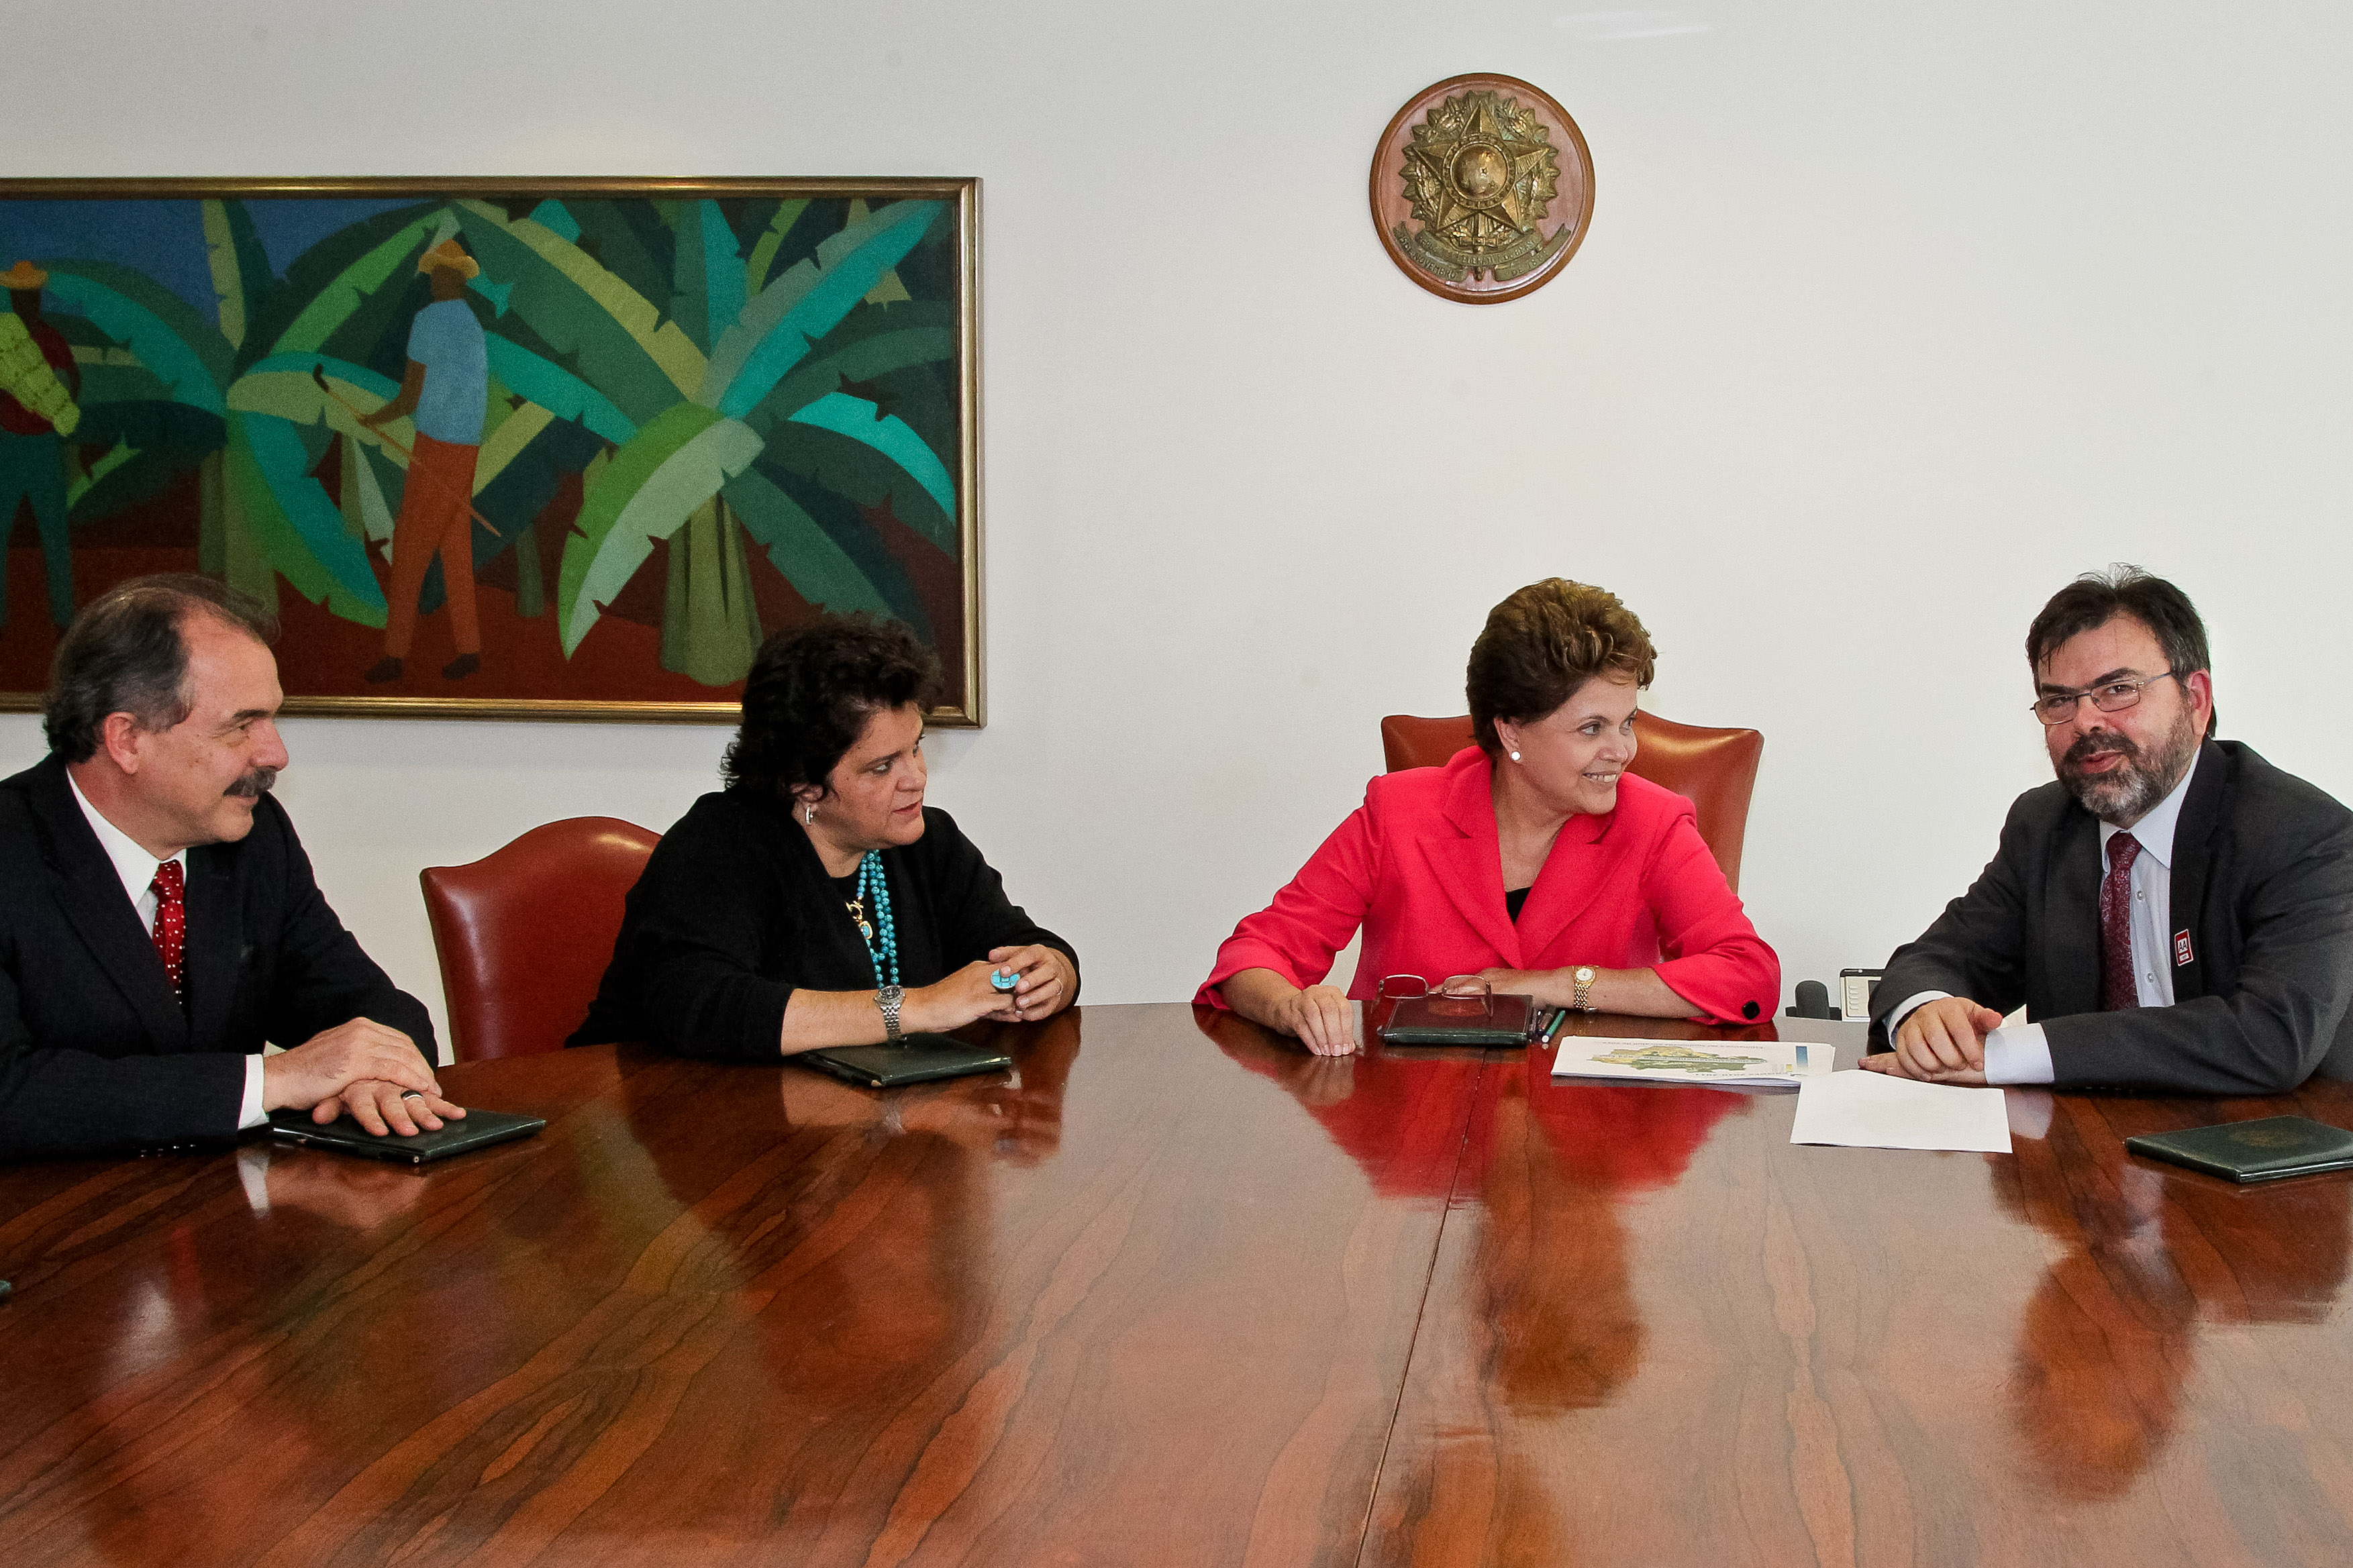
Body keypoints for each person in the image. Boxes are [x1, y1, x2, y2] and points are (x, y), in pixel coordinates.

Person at [1196, 577, 1781, 1055]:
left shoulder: (1652, 823)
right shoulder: (1399, 814)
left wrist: (1560, 985)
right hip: (1405, 1136)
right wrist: (1291, 1007)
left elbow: (1747, 974)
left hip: (1593, 1148)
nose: (1623, 750)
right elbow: (1252, 957)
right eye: (1591, 728)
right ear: (1511, 731)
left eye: (1627, 722)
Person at [0, 575, 456, 1159]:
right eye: (242, 724)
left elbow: (372, 1011)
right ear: (127, 739)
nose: (275, 754)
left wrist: (375, 1074)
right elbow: (12, 1092)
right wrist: (274, 1079)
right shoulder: (13, 850)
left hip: (224, 1220)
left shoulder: (254, 839)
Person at [1865, 566, 2353, 1094]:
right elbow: (1934, 960)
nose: (2087, 722)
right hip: (2090, 1153)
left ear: (2195, 700)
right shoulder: (2044, 826)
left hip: (2275, 1151)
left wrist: (2011, 1052)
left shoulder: (2302, 833)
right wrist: (1929, 1013)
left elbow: (2271, 1037)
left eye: (2118, 690)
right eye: (2059, 701)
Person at [573, 614, 1079, 1058]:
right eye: (882, 767)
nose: (917, 778)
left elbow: (1021, 941)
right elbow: (703, 1006)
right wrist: (920, 1006)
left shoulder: (927, 841)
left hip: (841, 1130)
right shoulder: (719, 845)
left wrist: (1050, 972)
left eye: (916, 748)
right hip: (659, 1125)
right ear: (805, 785)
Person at [361, 239, 490, 684]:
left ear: (455, 278)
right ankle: (470, 647)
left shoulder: (429, 320)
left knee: (411, 548)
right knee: (455, 551)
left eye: (441, 274)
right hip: (466, 450)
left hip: (436, 447)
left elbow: (410, 396)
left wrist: (372, 417)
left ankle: (395, 654)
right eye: (434, 273)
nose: (434, 281)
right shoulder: (473, 325)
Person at [0, 260, 81, 629]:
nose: (26, 304)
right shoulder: (3, 339)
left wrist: (56, 405)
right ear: (13, 299)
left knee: (55, 535)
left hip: (43, 448)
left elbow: (75, 380)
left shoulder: (51, 339)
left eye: (30, 297)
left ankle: (63, 618)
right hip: (9, 446)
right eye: (19, 297)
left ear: (38, 299)